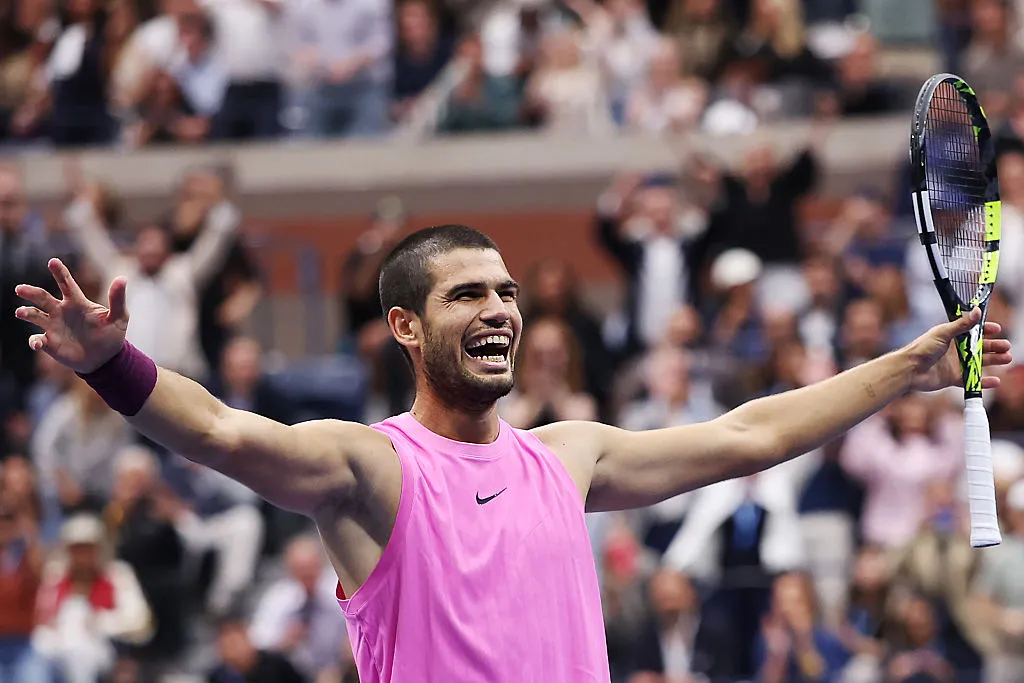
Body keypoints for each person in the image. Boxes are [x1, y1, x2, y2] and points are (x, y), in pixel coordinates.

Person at [12, 223, 1014, 683]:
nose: (500, 309)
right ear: (406, 326)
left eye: (507, 293)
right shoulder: (369, 467)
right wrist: (114, 364)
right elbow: (226, 432)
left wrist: (908, 365)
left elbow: (750, 434)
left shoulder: (568, 453)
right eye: (468, 294)